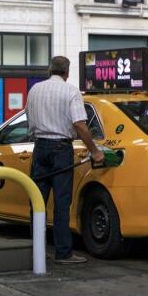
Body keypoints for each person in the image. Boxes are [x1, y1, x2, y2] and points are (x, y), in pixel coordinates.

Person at [26, 55, 104, 264]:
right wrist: (95, 151)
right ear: (67, 73)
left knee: (37, 200)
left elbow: (29, 119)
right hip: (61, 149)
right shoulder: (71, 91)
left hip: (39, 147)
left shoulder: (35, 90)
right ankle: (63, 253)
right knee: (61, 203)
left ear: (49, 70)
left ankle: (37, 251)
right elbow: (79, 124)